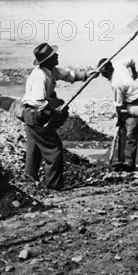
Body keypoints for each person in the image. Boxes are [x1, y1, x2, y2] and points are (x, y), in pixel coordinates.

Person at [22, 43, 95, 190]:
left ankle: (29, 183)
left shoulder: (51, 70)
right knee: (54, 149)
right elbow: (38, 102)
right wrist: (54, 113)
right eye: (53, 55)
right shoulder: (40, 76)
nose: (57, 56)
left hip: (30, 116)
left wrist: (87, 75)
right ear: (47, 60)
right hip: (35, 114)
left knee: (34, 150)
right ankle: (53, 185)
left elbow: (68, 75)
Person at [97, 56, 138, 172]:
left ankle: (129, 163)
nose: (104, 76)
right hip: (126, 103)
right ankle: (120, 161)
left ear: (110, 68)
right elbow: (132, 61)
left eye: (105, 73)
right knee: (122, 133)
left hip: (135, 104)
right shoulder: (118, 63)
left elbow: (119, 106)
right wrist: (134, 72)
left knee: (131, 135)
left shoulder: (116, 84)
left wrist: (119, 119)